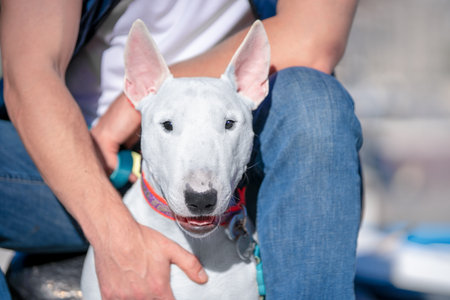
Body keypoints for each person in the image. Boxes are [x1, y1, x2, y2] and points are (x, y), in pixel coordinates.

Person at [0, 0, 362, 299]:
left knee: (316, 102)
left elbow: (315, 38)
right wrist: (115, 235)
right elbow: (30, 72)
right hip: (81, 153)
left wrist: (152, 103)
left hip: (231, 154)